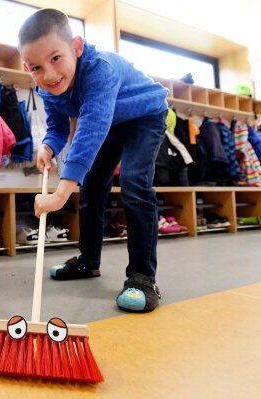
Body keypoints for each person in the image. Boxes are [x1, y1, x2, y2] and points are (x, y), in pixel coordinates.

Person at [19, 9, 169, 312]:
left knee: (134, 184)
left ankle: (142, 276)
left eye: (56, 59)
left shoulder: (100, 69)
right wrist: (47, 146)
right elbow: (59, 126)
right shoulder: (48, 86)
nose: (48, 74)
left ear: (76, 47)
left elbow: (90, 129)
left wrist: (60, 193)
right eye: (36, 67)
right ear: (27, 67)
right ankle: (88, 261)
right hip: (112, 122)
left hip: (145, 116)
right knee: (91, 187)